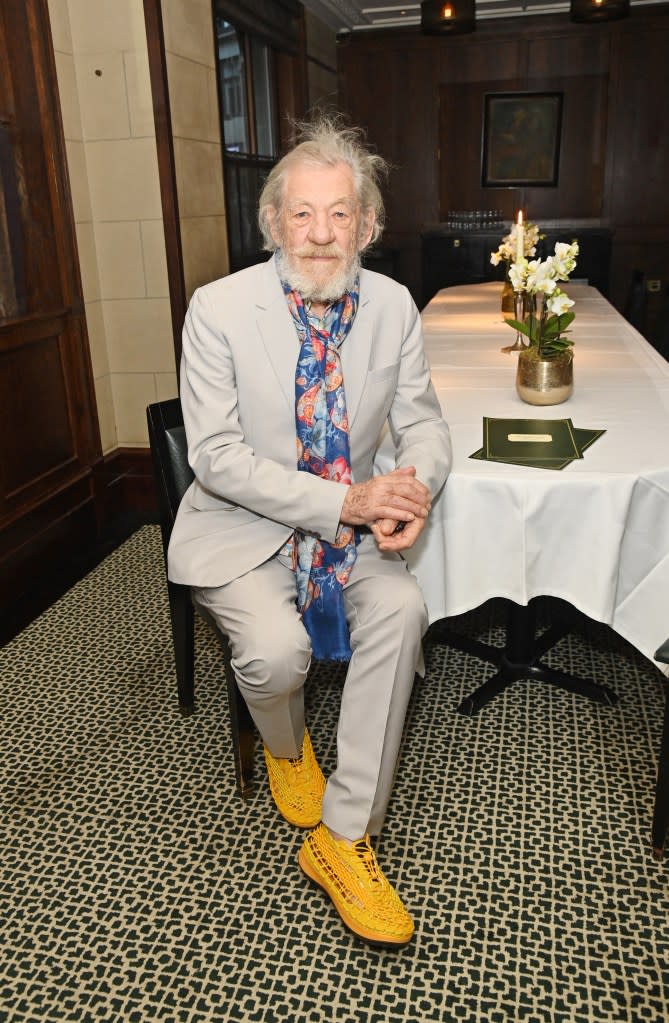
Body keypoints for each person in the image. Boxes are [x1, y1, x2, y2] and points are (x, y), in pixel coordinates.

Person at [168, 117, 451, 947]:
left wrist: (410, 490)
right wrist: (346, 505)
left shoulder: (393, 304)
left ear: (367, 226)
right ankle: (287, 745)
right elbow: (215, 457)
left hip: (354, 527)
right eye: (302, 214)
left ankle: (343, 836)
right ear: (272, 224)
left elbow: (424, 426)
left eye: (340, 215)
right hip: (241, 523)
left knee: (402, 612)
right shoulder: (217, 309)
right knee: (275, 655)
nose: (321, 234)